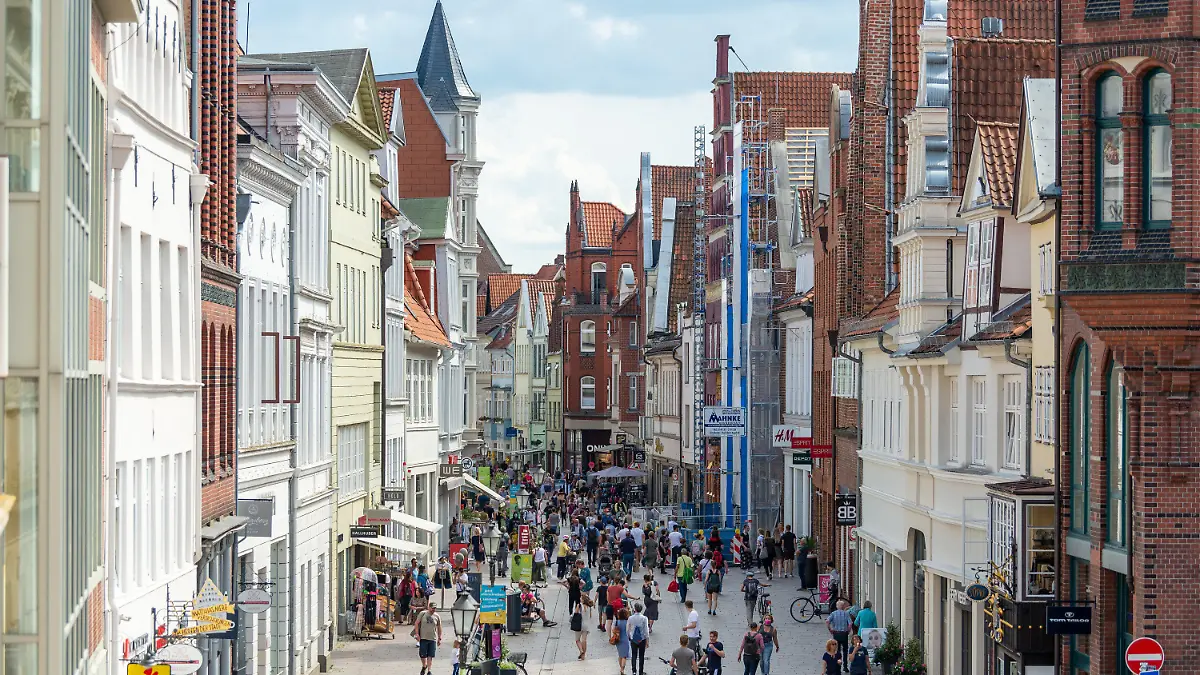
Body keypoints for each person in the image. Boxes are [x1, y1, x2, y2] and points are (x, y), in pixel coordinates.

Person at [410, 600, 443, 675]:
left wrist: (439, 637)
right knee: (422, 655)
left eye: (435, 608)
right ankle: (424, 666)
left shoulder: (437, 616)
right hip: (423, 637)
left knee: (430, 655)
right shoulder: (423, 614)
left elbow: (439, 627)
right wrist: (417, 634)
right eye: (432, 608)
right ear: (429, 607)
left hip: (432, 638)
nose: (433, 609)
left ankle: (429, 670)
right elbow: (417, 623)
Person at [826, 599, 853, 669]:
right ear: (843, 606)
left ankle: (837, 665)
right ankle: (845, 666)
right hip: (844, 634)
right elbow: (850, 623)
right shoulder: (846, 613)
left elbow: (827, 621)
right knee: (845, 650)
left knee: (836, 650)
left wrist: (830, 629)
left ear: (837, 606)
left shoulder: (833, 613)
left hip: (836, 633)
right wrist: (848, 631)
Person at [627, 603, 650, 675]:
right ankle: (641, 671)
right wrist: (647, 641)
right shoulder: (644, 618)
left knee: (634, 654)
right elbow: (646, 630)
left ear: (635, 609)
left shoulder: (630, 618)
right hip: (642, 639)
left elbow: (627, 629)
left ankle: (634, 671)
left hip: (633, 638)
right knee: (641, 656)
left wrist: (629, 636)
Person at [613, 608, 631, 675]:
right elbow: (629, 631)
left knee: (620, 655)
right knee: (624, 656)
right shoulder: (627, 622)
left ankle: (620, 667)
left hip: (618, 640)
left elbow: (613, 629)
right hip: (625, 639)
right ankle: (622, 669)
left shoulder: (616, 622)